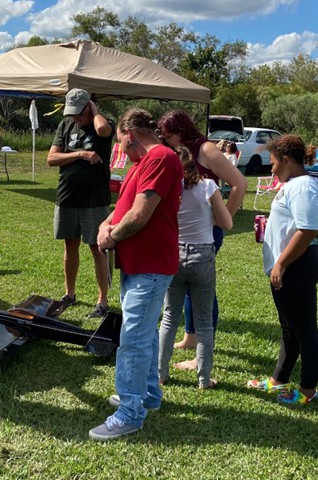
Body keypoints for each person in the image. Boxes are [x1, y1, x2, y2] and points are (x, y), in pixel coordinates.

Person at [90, 108, 183, 441]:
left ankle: (129, 413)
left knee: (132, 339)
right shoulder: (142, 163)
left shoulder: (160, 158)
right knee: (144, 334)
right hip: (137, 264)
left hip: (151, 264)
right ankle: (148, 395)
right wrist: (105, 224)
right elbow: (123, 208)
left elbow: (140, 215)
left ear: (130, 134)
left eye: (120, 142)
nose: (120, 149)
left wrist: (110, 237)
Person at [157, 110, 247, 366]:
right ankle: (190, 337)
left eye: (169, 136)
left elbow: (240, 183)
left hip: (206, 232)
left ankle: (201, 356)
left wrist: (223, 216)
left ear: (181, 131)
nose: (167, 141)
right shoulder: (182, 150)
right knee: (188, 287)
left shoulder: (206, 149)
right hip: (185, 231)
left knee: (202, 289)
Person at [247, 135, 318, 405]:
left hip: (296, 266)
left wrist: (281, 263)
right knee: (289, 326)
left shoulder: (303, 187)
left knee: (305, 330)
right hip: (289, 265)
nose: (271, 169)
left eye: (273, 163)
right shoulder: (295, 184)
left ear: (287, 160)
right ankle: (278, 379)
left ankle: (307, 391)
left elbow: (307, 230)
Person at [158, 146, 232, 389]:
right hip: (202, 254)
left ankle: (160, 374)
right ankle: (203, 378)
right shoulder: (208, 186)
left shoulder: (166, 188)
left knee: (169, 317)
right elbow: (227, 223)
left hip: (175, 254)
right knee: (204, 321)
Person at [47, 88, 115, 318]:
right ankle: (69, 294)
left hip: (95, 200)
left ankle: (102, 301)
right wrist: (80, 154)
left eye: (79, 112)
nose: (75, 117)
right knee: (70, 246)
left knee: (98, 248)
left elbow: (103, 130)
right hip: (67, 196)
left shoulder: (103, 123)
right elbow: (51, 158)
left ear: (89, 107)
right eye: (72, 113)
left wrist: (95, 112)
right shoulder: (65, 125)